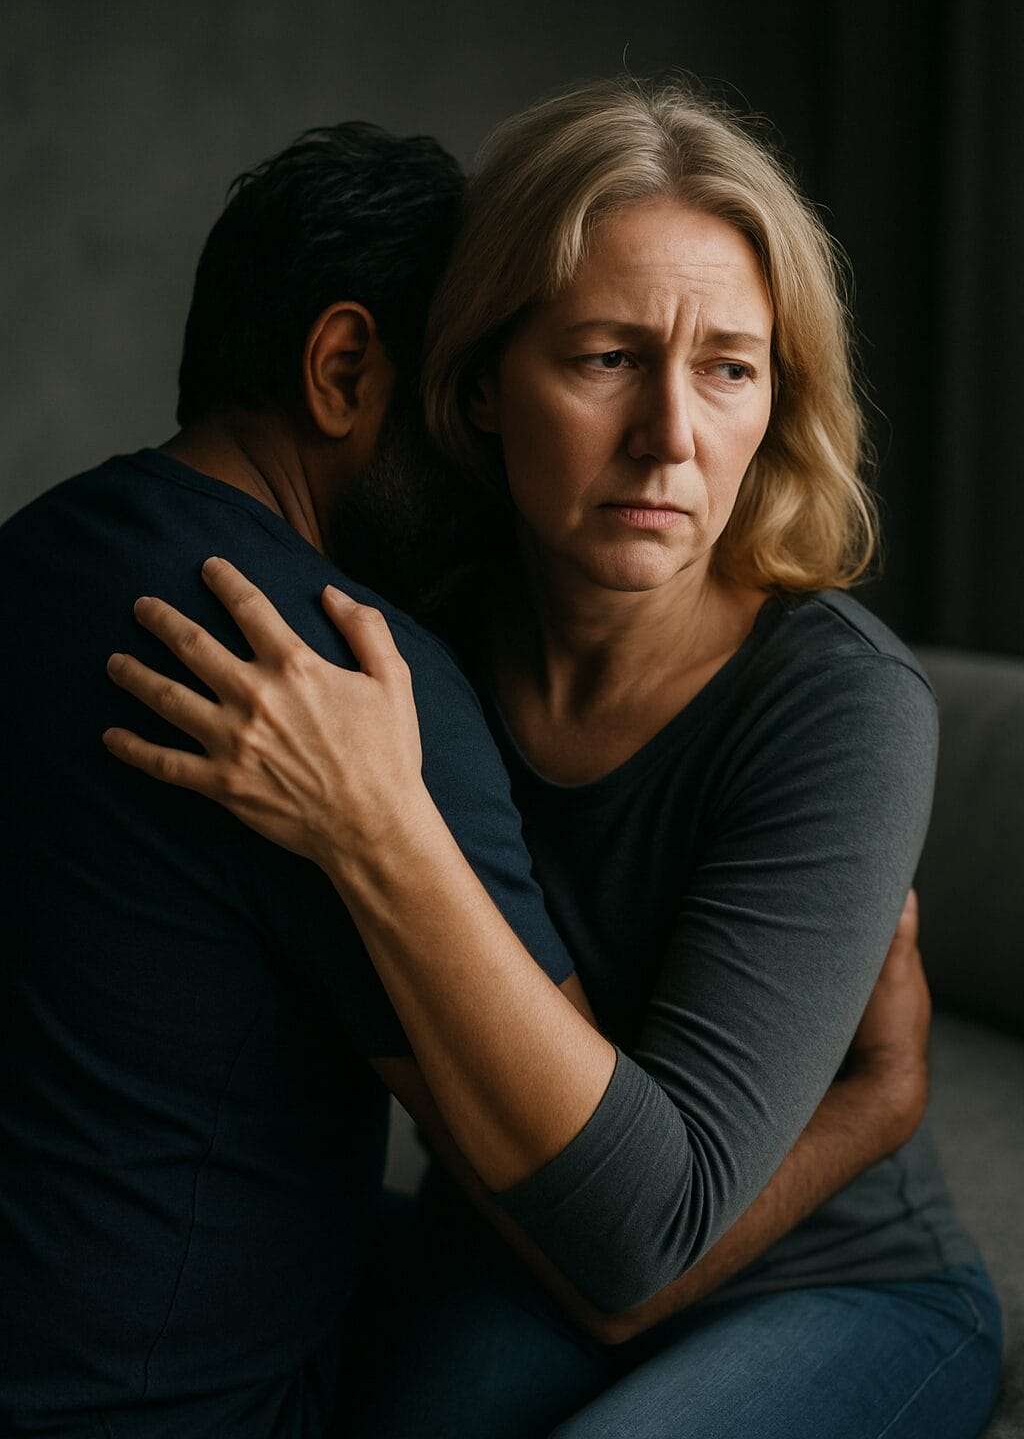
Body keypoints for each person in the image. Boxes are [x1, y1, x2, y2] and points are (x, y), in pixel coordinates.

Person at [0, 113, 926, 1439]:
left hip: (834, 1276)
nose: (665, 436)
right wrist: (878, 1103)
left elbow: (623, 1230)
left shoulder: (40, 555)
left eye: (731, 368)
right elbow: (593, 1234)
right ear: (372, 374)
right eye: (599, 358)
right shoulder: (377, 658)